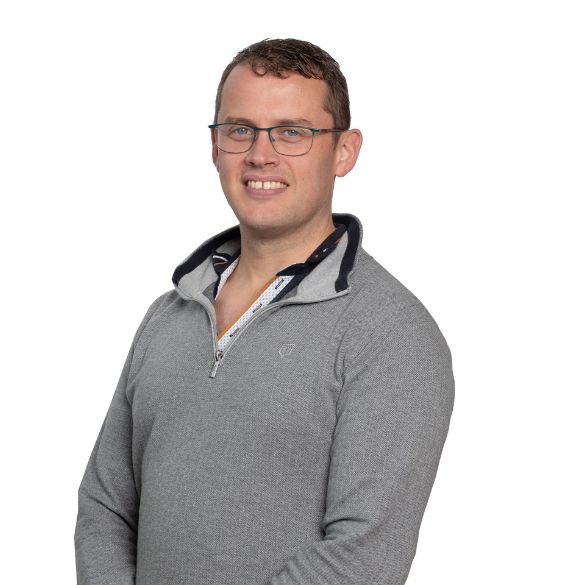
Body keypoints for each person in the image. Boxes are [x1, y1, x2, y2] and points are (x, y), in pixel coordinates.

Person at [74, 38, 455, 585]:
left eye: (292, 133)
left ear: (344, 151)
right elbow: (105, 506)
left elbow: (363, 559)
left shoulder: (390, 334)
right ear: (215, 147)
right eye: (240, 130)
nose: (260, 154)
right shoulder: (169, 315)